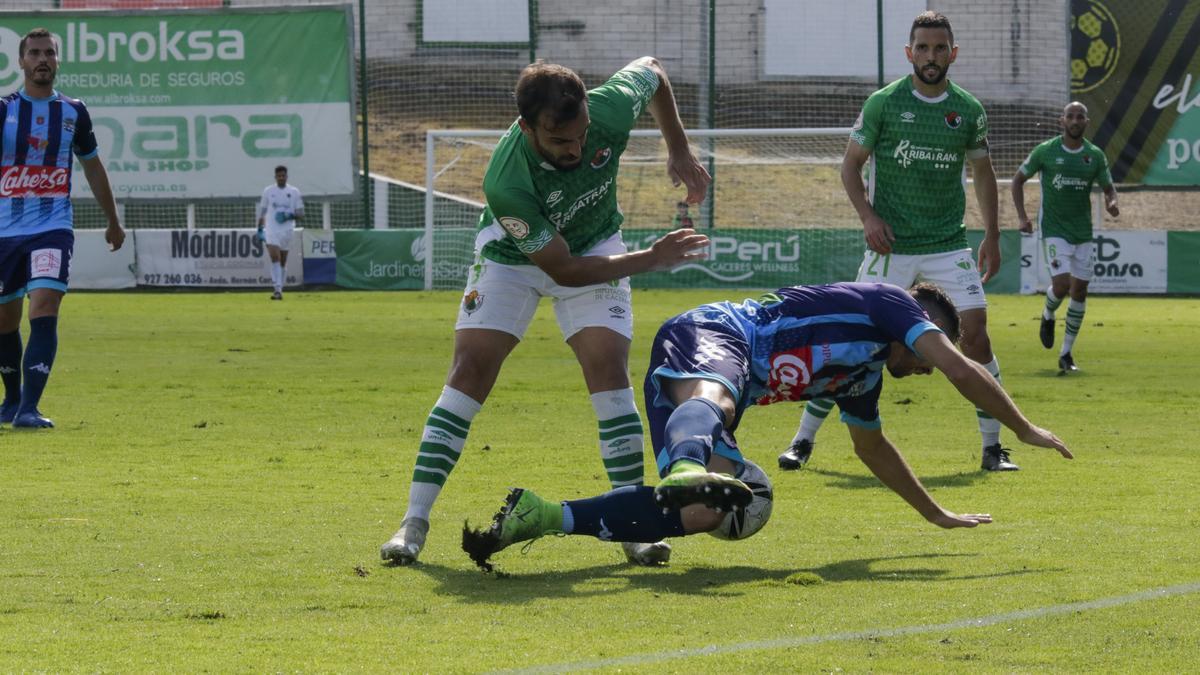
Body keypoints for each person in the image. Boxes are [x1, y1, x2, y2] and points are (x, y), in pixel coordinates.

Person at [462, 282, 1073, 570]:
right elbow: (960, 368)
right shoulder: (892, 304)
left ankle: (541, 515)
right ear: (916, 324)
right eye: (926, 346)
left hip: (703, 401)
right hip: (717, 334)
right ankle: (684, 466)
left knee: (708, 512)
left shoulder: (860, 378)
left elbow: (872, 448)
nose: (926, 364)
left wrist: (933, 513)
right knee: (719, 400)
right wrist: (1020, 426)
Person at [381, 57, 712, 566]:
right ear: (526, 126)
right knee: (469, 372)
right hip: (515, 261)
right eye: (560, 142)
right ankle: (414, 520)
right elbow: (562, 270)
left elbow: (655, 70)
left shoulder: (609, 108)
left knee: (608, 367)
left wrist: (680, 150)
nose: (576, 149)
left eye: (581, 136)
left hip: (597, 244)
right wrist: (652, 258)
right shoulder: (507, 183)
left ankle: (632, 524)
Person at [780, 11, 1016, 473]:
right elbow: (850, 167)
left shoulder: (968, 110)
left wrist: (991, 233)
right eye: (923, 48)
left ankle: (993, 448)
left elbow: (983, 172)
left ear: (953, 52)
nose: (931, 56)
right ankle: (802, 441)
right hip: (891, 249)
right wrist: (868, 217)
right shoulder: (884, 104)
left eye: (940, 48)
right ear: (909, 53)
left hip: (949, 244)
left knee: (977, 337)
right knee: (852, 340)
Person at [0, 28, 124, 430]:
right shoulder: (3, 110)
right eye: (34, 53)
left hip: (53, 225)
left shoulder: (74, 111)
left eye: (49, 53)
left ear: (58, 60)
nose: (42, 59)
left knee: (45, 306)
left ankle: (29, 409)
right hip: (4, 230)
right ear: (20, 61)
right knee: (4, 321)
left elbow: (92, 166)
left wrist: (112, 220)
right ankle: (13, 399)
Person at [1012, 102, 1118, 374]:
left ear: (1086, 122)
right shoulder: (1046, 151)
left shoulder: (1094, 156)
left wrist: (1112, 202)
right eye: (1070, 116)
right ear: (1062, 121)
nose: (1074, 120)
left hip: (1082, 232)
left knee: (1080, 291)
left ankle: (1066, 353)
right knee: (1061, 286)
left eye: (1080, 116)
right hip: (1054, 230)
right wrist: (1022, 217)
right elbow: (1017, 180)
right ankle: (1047, 315)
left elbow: (1108, 188)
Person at [256, 165, 304, 300]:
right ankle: (277, 289)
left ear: (287, 177)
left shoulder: (294, 191)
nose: (281, 178)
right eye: (279, 176)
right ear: (275, 177)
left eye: (283, 176)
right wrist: (260, 229)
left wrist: (288, 216)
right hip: (271, 230)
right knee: (274, 258)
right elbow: (263, 211)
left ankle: (280, 289)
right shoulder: (268, 191)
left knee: (283, 261)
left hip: (287, 230)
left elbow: (301, 213)